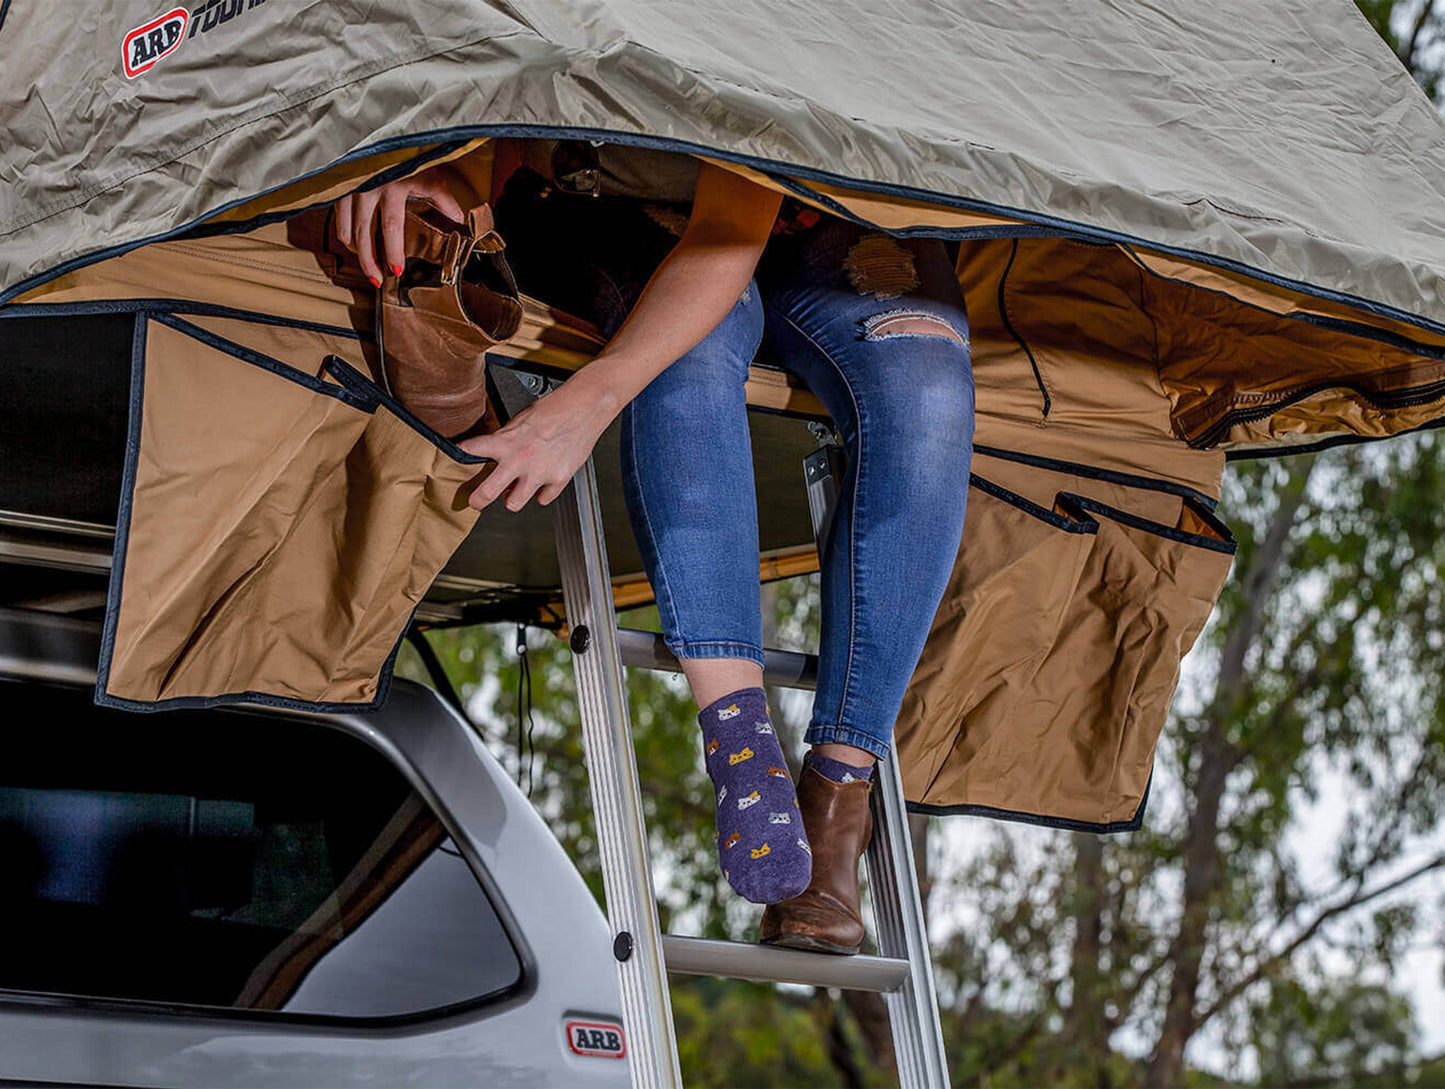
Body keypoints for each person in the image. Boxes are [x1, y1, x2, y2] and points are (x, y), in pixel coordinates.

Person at [332, 138, 975, 954]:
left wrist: (580, 410)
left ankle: (839, 794)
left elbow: (731, 228)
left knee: (929, 394)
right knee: (689, 344)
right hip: (606, 204)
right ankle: (741, 749)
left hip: (801, 211)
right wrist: (441, 168)